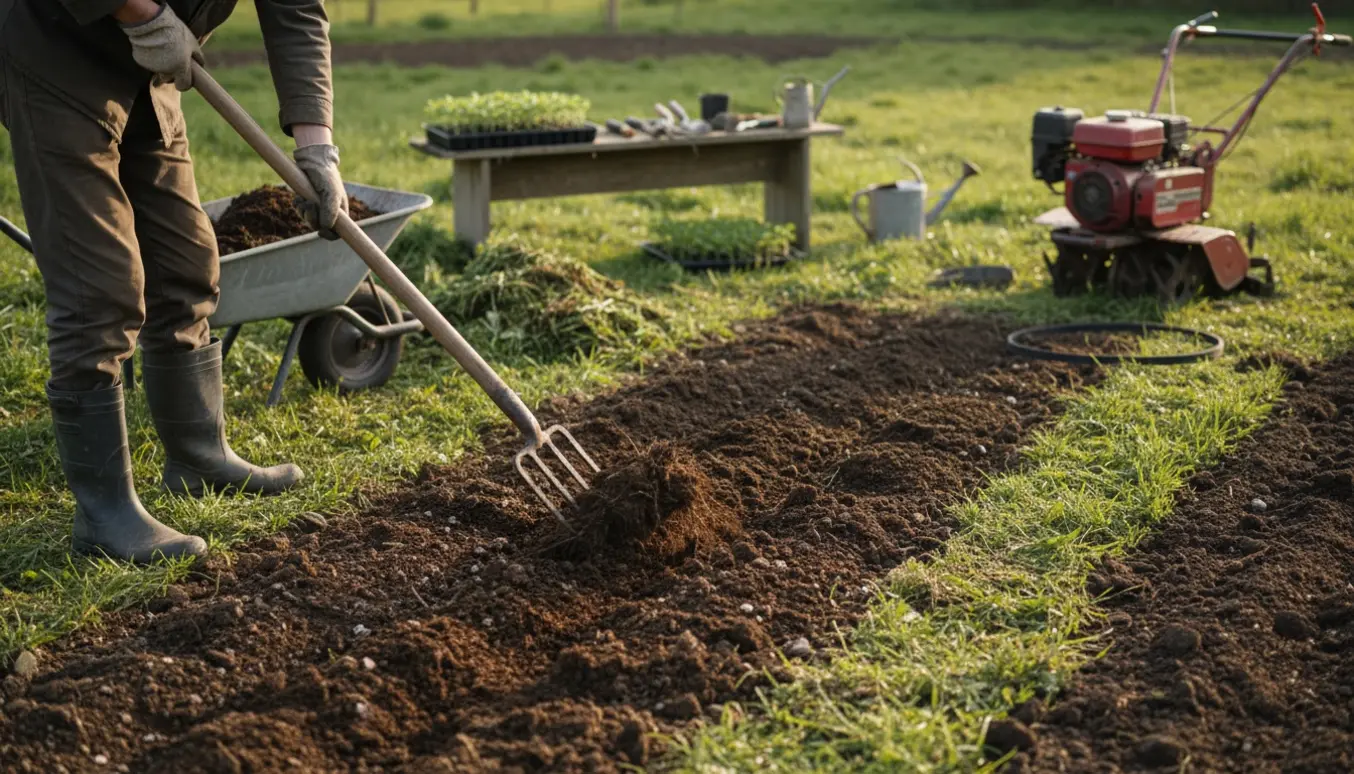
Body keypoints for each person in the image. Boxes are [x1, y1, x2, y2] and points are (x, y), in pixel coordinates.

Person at [0, 0, 347, 562]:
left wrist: (317, 147)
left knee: (186, 262)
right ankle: (104, 515)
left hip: (150, 63)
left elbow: (296, 8)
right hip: (57, 49)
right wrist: (140, 12)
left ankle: (197, 456)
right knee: (101, 287)